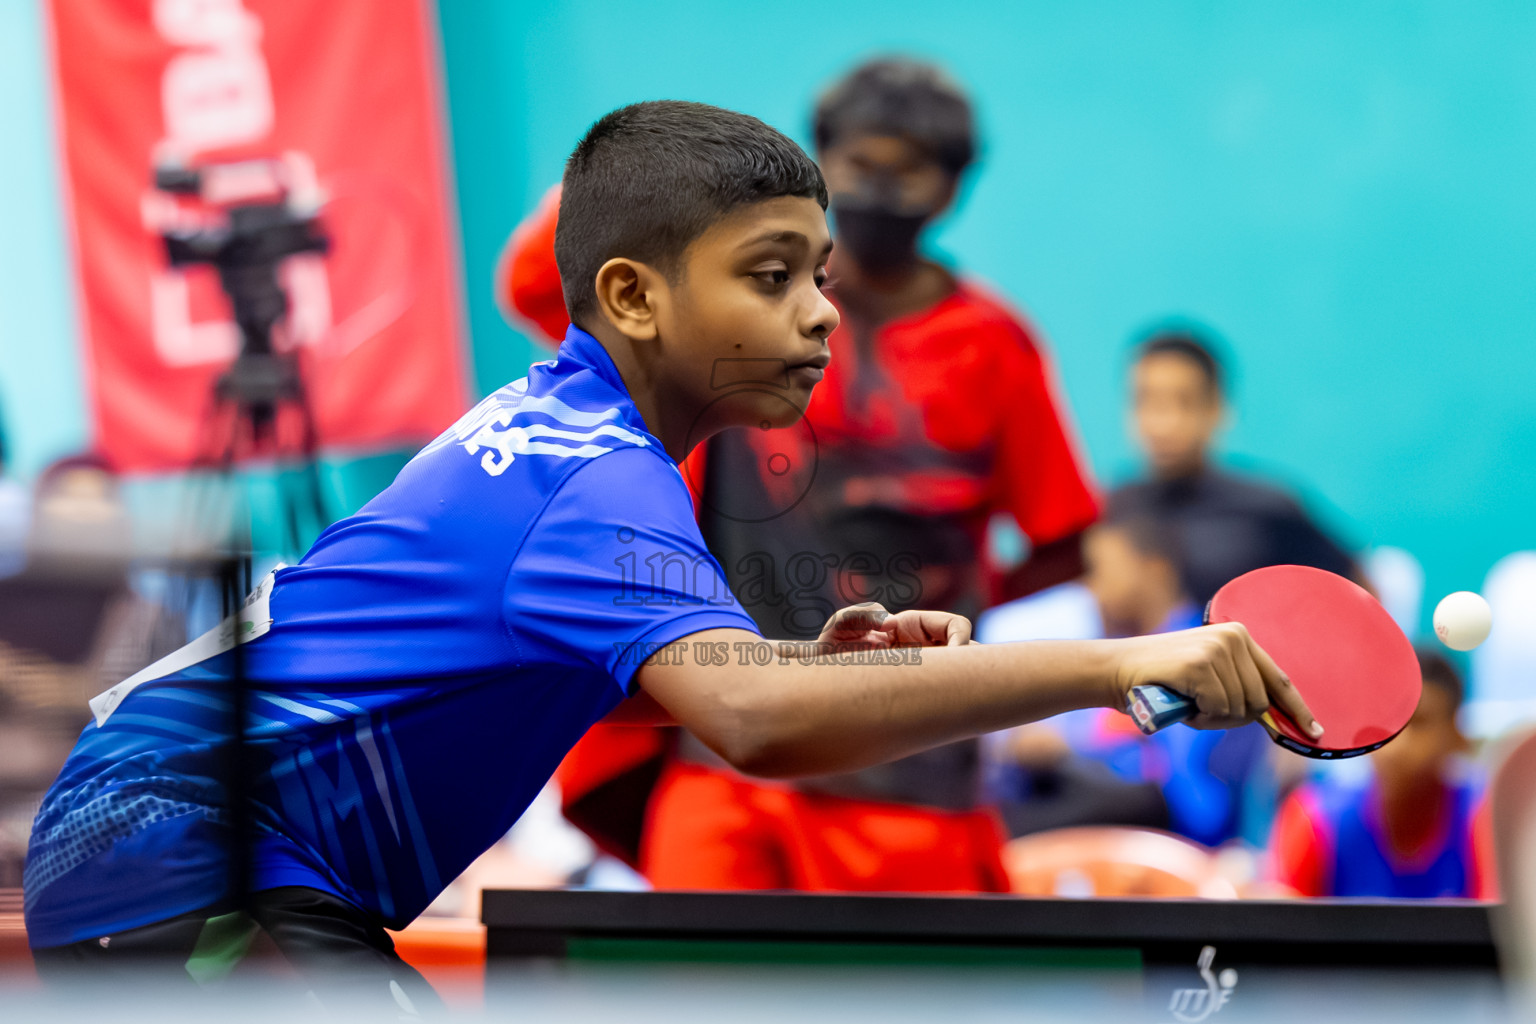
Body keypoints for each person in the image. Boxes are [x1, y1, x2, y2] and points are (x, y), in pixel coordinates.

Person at [25, 101, 1312, 1010]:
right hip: (188, 850)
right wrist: (1125, 663)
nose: (818, 313)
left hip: (167, 834)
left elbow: (631, 667)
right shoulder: (601, 481)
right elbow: (751, 720)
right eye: (768, 276)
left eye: (815, 273)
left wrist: (804, 657)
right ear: (635, 296)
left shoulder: (555, 423)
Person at [506, 59, 1101, 893]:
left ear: (954, 186)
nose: (882, 189)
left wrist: (954, 599)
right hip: (724, 759)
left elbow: (1067, 535)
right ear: (822, 163)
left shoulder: (994, 347)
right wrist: (667, 171)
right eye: (860, 164)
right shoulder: (733, 301)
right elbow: (541, 280)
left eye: (910, 170)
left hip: (906, 783)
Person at [992, 513, 1270, 847]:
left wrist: (1068, 754)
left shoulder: (1200, 659)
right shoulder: (1121, 652)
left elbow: (1196, 801)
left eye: (1101, 571)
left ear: (1154, 569)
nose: (1094, 592)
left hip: (1178, 842)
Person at [1110, 327, 1360, 607]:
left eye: (1184, 402)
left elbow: (1354, 592)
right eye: (1146, 401)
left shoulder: (1269, 507)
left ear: (1216, 408)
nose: (1163, 422)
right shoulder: (1109, 512)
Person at [1269, 648, 1490, 898]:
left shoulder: (1485, 820)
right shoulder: (1313, 820)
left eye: (1420, 723)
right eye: (1389, 721)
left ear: (1457, 737)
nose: (1398, 746)